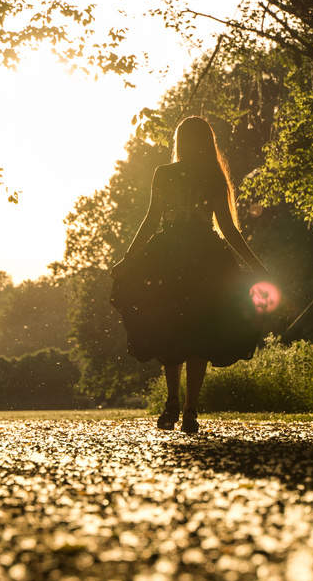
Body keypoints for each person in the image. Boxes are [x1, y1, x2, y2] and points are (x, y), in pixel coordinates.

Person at [110, 115, 273, 434]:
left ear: (179, 142)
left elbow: (151, 221)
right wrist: (255, 265)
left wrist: (129, 259)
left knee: (174, 330)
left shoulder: (165, 173)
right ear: (207, 142)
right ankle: (189, 410)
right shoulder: (212, 174)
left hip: (168, 257)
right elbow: (227, 228)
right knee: (200, 332)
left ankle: (174, 403)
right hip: (205, 259)